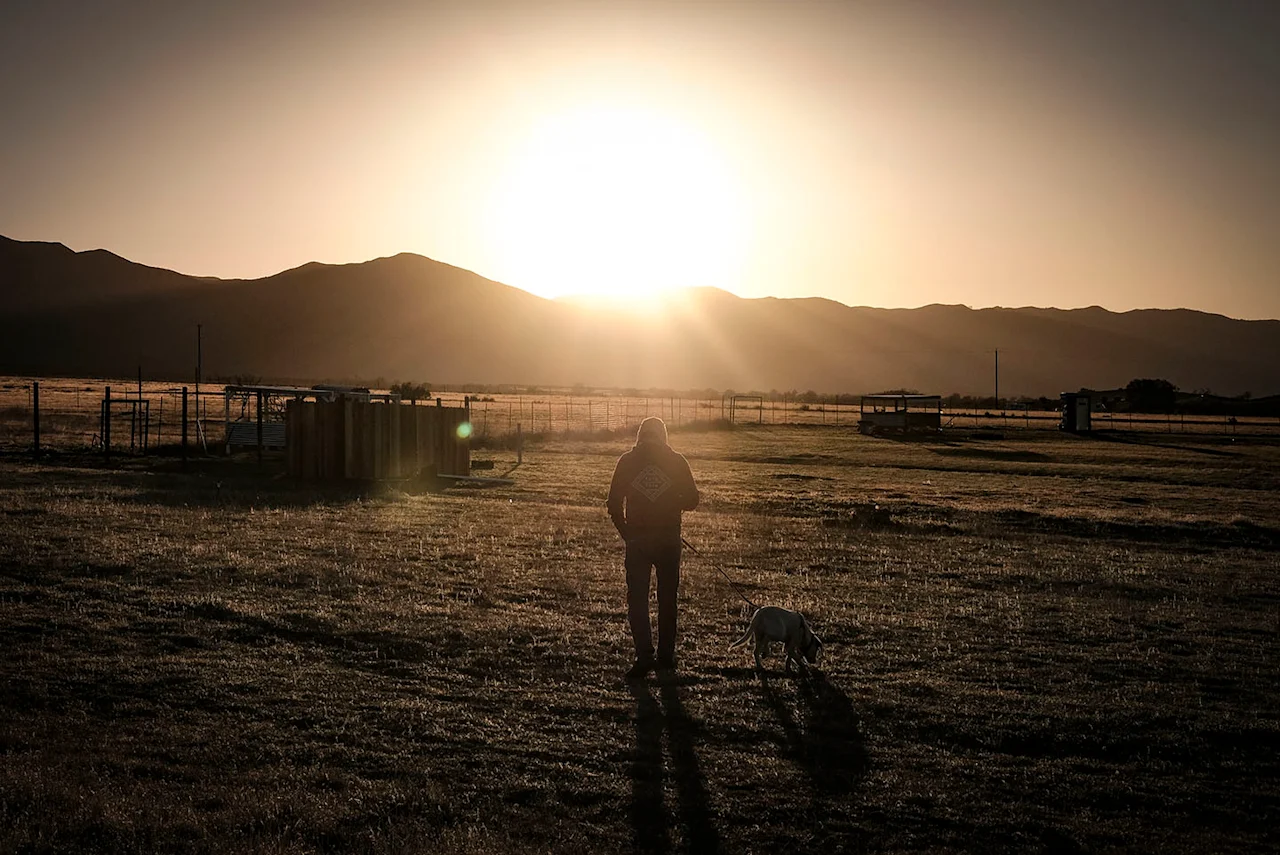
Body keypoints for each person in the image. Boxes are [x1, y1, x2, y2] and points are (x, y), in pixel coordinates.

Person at [607, 417, 700, 679]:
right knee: (667, 599)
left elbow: (613, 503)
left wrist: (628, 534)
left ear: (639, 435)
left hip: (638, 541)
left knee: (637, 599)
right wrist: (672, 503)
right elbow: (693, 499)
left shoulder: (626, 461)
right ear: (664, 435)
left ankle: (644, 656)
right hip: (669, 540)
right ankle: (666, 657)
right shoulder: (677, 461)